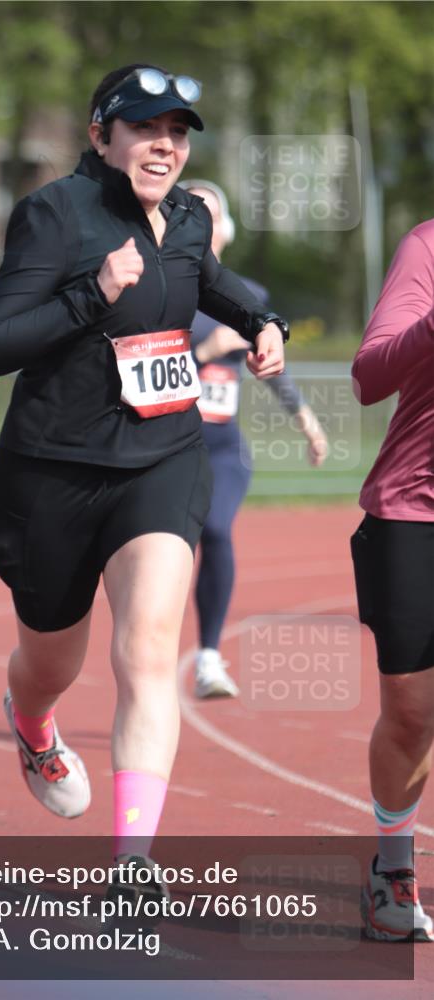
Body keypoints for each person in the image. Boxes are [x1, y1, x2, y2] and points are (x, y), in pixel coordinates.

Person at [0, 64, 288, 894]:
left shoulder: (186, 218)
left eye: (177, 133)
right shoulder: (53, 214)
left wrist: (263, 323)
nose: (164, 146)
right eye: (146, 129)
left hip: (161, 458)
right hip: (53, 475)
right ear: (100, 135)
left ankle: (132, 863)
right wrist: (91, 294)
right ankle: (33, 723)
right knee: (52, 662)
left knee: (148, 649)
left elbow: (213, 285)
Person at [178, 180, 329, 698]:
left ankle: (209, 658)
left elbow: (272, 367)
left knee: (217, 530)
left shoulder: (249, 297)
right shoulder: (158, 293)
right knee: (163, 554)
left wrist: (307, 421)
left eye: (211, 214)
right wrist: (202, 352)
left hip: (222, 447)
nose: (202, 223)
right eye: (190, 211)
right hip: (163, 447)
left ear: (226, 228)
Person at [350, 218, 434, 942]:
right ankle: (392, 866)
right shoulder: (427, 247)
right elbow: (368, 378)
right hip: (416, 510)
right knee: (412, 712)